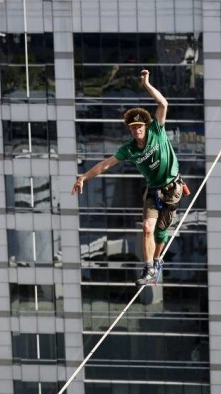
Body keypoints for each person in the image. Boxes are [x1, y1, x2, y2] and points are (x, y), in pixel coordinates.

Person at [71, 69, 186, 286]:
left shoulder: (157, 130)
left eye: (139, 127)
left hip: (172, 188)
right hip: (153, 191)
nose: (137, 131)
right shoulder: (129, 149)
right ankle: (149, 268)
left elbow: (163, 104)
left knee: (161, 233)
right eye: (133, 128)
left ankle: (157, 260)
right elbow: (106, 164)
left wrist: (147, 85)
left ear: (145, 125)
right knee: (146, 229)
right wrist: (84, 177)